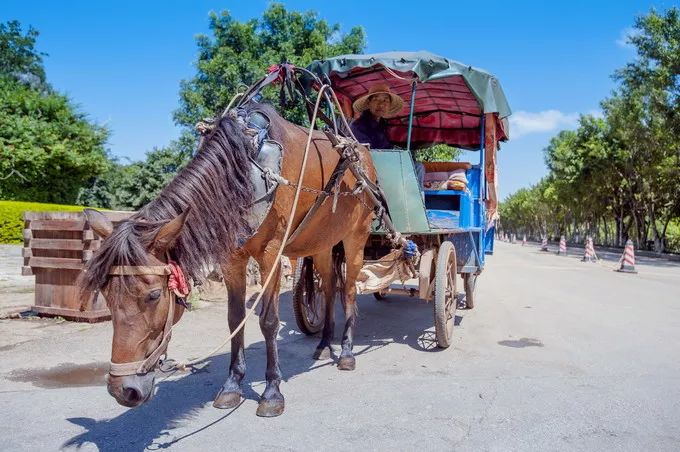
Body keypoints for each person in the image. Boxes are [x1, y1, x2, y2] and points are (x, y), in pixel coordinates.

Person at [350, 83, 424, 186]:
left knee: (417, 166)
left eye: (385, 100)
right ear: (369, 103)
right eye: (376, 99)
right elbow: (365, 153)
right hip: (370, 168)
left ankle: (416, 199)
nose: (381, 104)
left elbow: (388, 148)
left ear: (389, 106)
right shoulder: (358, 126)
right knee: (417, 167)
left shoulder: (383, 126)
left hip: (386, 165)